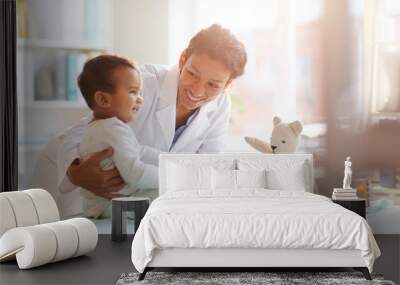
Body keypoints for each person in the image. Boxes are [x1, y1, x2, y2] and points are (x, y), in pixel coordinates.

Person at [54, 24, 247, 204]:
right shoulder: (141, 83)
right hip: (91, 201)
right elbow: (76, 134)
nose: (196, 91)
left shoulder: (220, 106)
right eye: (192, 74)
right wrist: (76, 174)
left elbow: (207, 167)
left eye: (213, 85)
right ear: (182, 59)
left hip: (148, 206)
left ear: (228, 85)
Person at [77, 55, 158, 218]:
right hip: (112, 207)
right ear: (103, 99)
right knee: (165, 194)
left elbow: (138, 150)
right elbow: (136, 174)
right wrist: (169, 174)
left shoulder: (98, 127)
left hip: (100, 207)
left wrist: (167, 158)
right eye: (133, 92)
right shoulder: (113, 128)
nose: (140, 99)